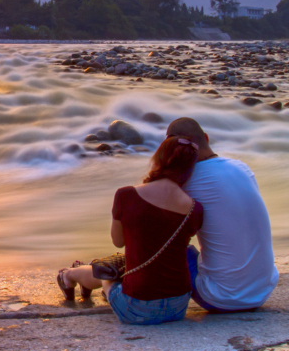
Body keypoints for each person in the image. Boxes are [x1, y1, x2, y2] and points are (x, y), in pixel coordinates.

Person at [57, 136, 203, 325]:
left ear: (158, 159)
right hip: (178, 305)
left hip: (137, 308)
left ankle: (68, 276)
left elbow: (118, 241)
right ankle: (74, 276)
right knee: (125, 266)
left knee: (108, 273)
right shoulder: (195, 209)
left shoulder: (126, 195)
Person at [166, 117, 278, 312]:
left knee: (170, 245)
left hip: (220, 298)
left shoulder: (186, 180)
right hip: (262, 291)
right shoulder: (243, 168)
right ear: (206, 138)